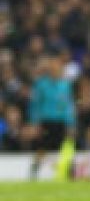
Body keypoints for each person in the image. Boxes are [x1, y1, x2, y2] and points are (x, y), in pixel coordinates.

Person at [27, 53, 76, 181]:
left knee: (66, 147)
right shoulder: (41, 84)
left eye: (57, 66)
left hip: (61, 121)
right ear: (49, 68)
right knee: (42, 148)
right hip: (46, 121)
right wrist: (34, 123)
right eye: (53, 66)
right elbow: (35, 105)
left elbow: (68, 106)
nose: (55, 68)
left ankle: (70, 171)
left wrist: (71, 123)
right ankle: (34, 171)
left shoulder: (65, 85)